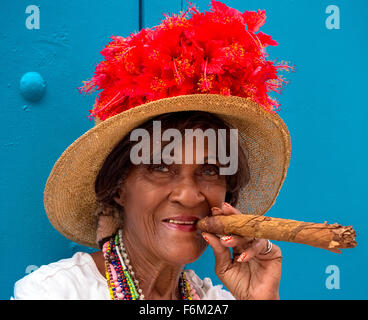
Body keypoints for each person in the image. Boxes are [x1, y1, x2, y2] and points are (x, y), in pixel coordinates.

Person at [13, 0, 293, 300]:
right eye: (161, 167)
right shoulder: (56, 293)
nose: (188, 196)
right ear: (118, 186)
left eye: (209, 170)